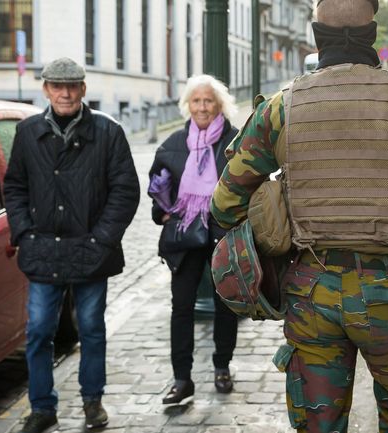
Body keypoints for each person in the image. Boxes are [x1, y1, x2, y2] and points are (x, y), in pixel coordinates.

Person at [210, 0, 388, 431]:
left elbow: (224, 205)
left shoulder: (279, 108)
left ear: (316, 34)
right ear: (372, 35)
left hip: (310, 294)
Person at [4, 57, 140, 433]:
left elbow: (125, 191)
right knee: (39, 331)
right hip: (43, 248)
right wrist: (25, 232)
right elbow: (14, 186)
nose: (64, 93)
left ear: (83, 89)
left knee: (92, 328)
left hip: (91, 250)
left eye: (72, 86)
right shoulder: (28, 132)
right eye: (57, 86)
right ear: (46, 89)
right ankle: (42, 407)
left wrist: (102, 238)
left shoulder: (108, 132)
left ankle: (92, 401)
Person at [148, 74, 240, 405]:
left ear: (220, 105)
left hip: (222, 236)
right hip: (184, 239)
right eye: (197, 101)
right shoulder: (173, 144)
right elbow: (157, 190)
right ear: (188, 105)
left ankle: (222, 367)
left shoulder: (234, 142)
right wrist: (164, 213)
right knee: (182, 307)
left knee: (226, 305)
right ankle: (182, 379)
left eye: (208, 101)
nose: (202, 107)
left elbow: (250, 187)